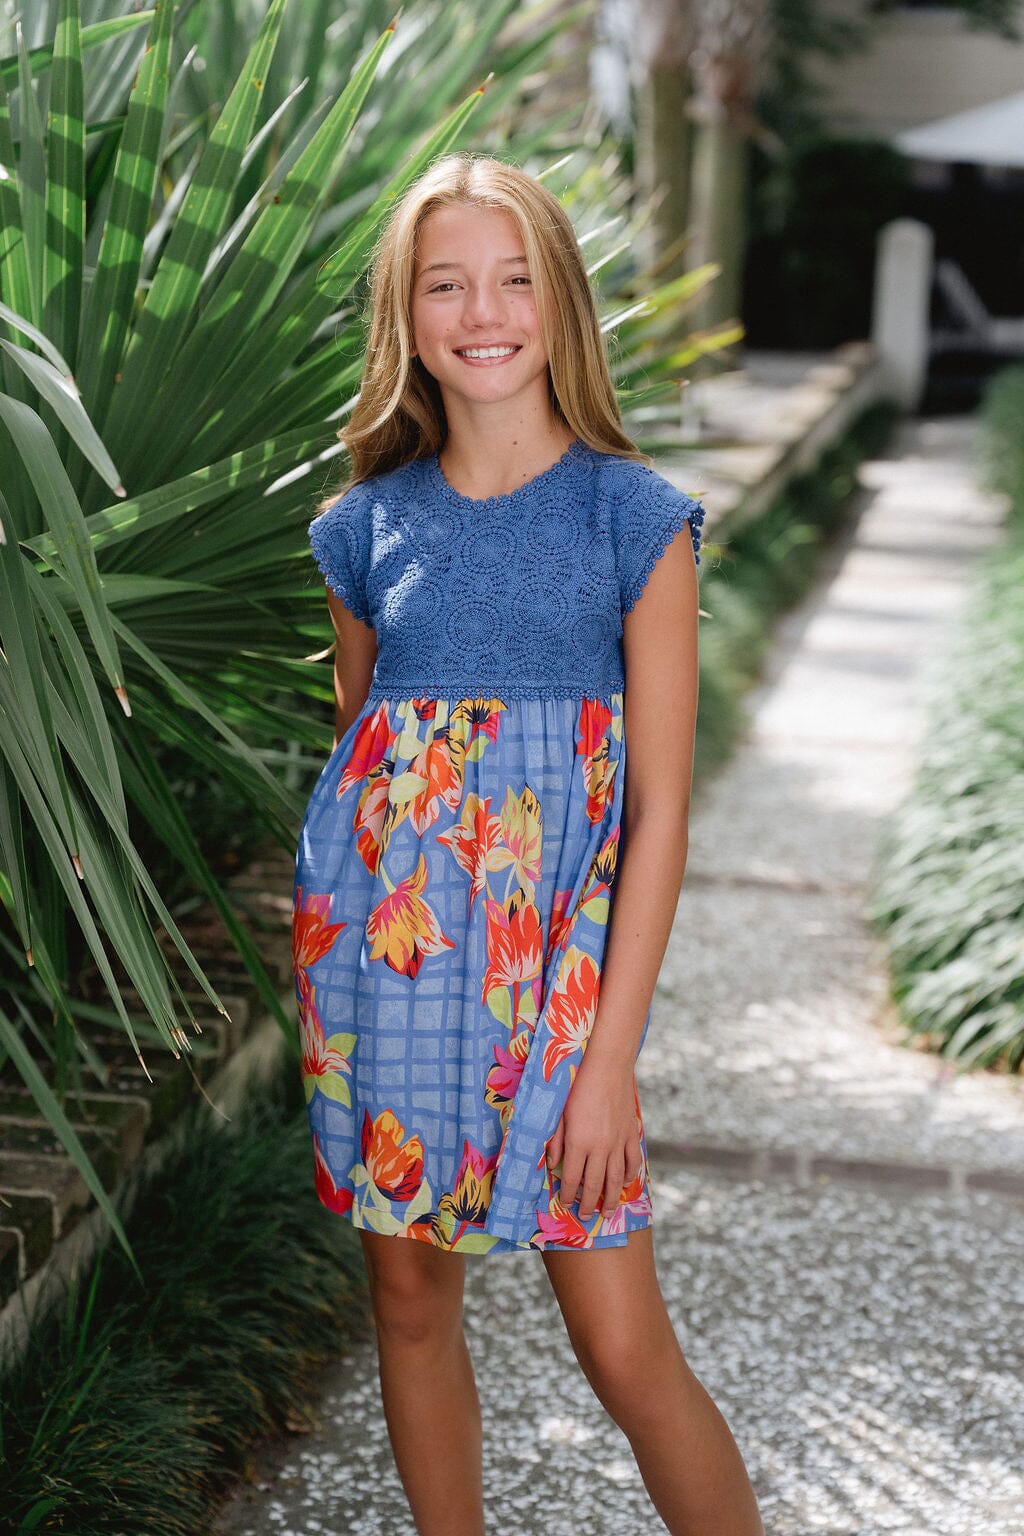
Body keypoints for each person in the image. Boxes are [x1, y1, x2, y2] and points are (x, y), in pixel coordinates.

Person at [292, 151, 764, 1536]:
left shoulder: (633, 519)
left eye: (513, 279)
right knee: (408, 1304)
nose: (482, 312)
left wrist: (608, 1060)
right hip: (388, 977)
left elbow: (659, 810)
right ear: (406, 312)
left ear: (560, 301)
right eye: (446, 284)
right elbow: (371, 761)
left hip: (562, 986)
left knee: (621, 1347)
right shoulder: (362, 529)